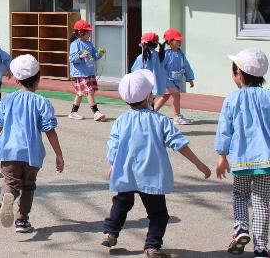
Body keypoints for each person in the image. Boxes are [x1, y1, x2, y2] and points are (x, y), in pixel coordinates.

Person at [103, 69, 210, 257]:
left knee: (121, 202)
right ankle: (152, 247)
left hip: (126, 173)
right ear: (149, 97)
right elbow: (179, 143)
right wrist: (198, 163)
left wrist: (112, 165)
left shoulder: (121, 121)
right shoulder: (160, 121)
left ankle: (111, 232)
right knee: (158, 214)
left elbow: (114, 145)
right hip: (151, 176)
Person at [0, 53, 64, 234]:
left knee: (11, 182)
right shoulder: (41, 102)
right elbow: (49, 130)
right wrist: (59, 155)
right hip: (32, 153)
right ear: (38, 78)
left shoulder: (7, 100)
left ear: (16, 80)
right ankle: (22, 220)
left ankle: (8, 196)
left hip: (9, 151)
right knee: (28, 186)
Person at [215, 48, 270, 257]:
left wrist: (222, 156)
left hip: (240, 160)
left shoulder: (232, 99)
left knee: (240, 195)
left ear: (238, 73)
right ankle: (261, 247)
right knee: (262, 201)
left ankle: (240, 228)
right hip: (266, 161)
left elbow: (224, 129)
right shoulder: (268, 97)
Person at [154, 28, 195, 125]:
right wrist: (163, 79)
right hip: (168, 80)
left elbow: (186, 66)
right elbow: (160, 68)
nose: (180, 42)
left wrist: (190, 78)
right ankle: (177, 116)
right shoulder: (166, 53)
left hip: (176, 80)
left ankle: (152, 112)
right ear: (170, 42)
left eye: (180, 40)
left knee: (165, 97)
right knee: (176, 96)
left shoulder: (180, 54)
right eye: (177, 40)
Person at [68, 20, 106, 121]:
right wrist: (81, 56)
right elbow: (72, 58)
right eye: (88, 32)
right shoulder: (75, 44)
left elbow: (94, 57)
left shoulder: (89, 43)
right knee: (90, 91)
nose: (90, 33)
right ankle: (96, 112)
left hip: (89, 72)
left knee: (80, 93)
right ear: (81, 32)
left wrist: (100, 54)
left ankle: (73, 112)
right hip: (80, 74)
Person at [130, 33, 167, 107]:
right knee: (150, 104)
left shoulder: (142, 57)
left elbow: (134, 71)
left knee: (144, 105)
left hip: (145, 87)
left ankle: (147, 116)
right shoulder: (161, 56)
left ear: (144, 44)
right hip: (157, 87)